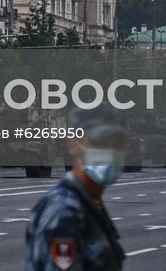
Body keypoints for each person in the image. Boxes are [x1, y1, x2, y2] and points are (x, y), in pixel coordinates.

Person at [25, 104, 128, 270]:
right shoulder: (64, 211)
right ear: (73, 144)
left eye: (117, 143)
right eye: (99, 142)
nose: (110, 151)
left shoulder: (88, 202)